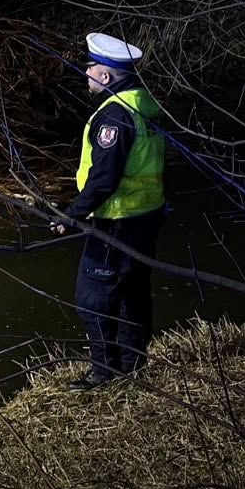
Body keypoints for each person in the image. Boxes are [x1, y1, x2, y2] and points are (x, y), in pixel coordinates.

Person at [52, 32, 166, 390]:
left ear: (105, 76)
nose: (86, 74)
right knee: (133, 293)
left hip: (116, 222)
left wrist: (70, 214)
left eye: (90, 67)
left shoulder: (114, 117)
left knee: (94, 298)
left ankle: (105, 372)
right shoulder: (145, 105)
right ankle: (134, 366)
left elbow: (104, 179)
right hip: (147, 216)